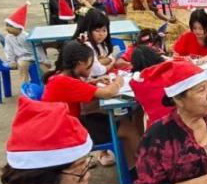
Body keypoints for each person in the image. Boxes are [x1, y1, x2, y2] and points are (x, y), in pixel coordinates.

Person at [41, 40, 141, 169]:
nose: (92, 66)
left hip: (63, 125)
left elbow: (77, 89)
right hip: (67, 132)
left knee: (122, 121)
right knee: (128, 128)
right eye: (91, 62)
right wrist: (118, 82)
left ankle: (131, 167)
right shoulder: (65, 82)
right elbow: (107, 93)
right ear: (80, 63)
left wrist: (94, 81)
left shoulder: (59, 77)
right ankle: (146, 169)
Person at [3, 2, 49, 86]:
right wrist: (11, 61)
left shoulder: (26, 36)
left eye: (10, 26)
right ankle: (25, 85)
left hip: (34, 56)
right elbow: (9, 50)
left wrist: (44, 60)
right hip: (21, 57)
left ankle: (49, 84)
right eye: (7, 26)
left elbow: (37, 47)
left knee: (45, 70)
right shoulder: (8, 38)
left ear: (19, 28)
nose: (7, 28)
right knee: (22, 65)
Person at [128, 46, 173, 125]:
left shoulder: (134, 82)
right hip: (179, 119)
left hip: (156, 125)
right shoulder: (168, 73)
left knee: (141, 114)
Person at [74, 8, 125, 77]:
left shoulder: (101, 43)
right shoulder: (86, 46)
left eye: (104, 30)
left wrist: (103, 61)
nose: (101, 34)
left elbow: (110, 57)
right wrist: (111, 62)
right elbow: (98, 71)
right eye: (97, 31)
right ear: (88, 30)